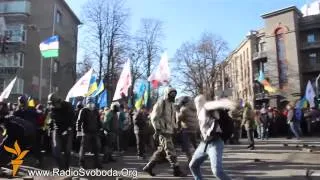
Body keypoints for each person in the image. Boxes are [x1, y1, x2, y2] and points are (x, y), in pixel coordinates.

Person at [143, 87, 186, 177]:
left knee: (161, 151)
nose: (173, 95)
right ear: (167, 94)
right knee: (171, 151)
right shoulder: (161, 103)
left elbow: (172, 118)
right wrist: (158, 129)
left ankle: (149, 167)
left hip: (169, 131)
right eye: (171, 93)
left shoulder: (171, 104)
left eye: (175, 94)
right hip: (163, 131)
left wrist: (175, 127)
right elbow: (154, 117)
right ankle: (176, 170)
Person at [189, 95, 234, 180]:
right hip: (204, 144)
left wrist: (227, 103)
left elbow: (215, 106)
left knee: (217, 171)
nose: (197, 104)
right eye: (196, 102)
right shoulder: (199, 113)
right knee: (193, 166)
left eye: (199, 102)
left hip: (215, 143)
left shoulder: (207, 107)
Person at [47, 93, 74, 170]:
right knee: (56, 149)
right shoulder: (51, 108)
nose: (53, 106)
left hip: (68, 129)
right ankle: (61, 167)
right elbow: (51, 119)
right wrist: (50, 128)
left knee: (67, 150)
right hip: (57, 130)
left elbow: (72, 119)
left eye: (54, 104)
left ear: (58, 102)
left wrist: (68, 129)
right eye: (51, 104)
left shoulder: (68, 106)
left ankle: (66, 167)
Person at [76, 97, 102, 169]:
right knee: (83, 148)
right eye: (89, 102)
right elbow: (79, 121)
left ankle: (97, 164)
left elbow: (98, 121)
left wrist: (100, 128)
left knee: (97, 148)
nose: (90, 104)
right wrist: (78, 131)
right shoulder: (83, 111)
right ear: (86, 103)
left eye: (92, 102)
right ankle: (81, 164)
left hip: (95, 132)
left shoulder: (95, 111)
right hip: (86, 132)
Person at [176, 96, 198, 162]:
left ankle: (190, 160)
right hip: (194, 128)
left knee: (186, 146)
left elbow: (179, 119)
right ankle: (199, 156)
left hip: (186, 128)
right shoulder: (194, 108)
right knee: (195, 144)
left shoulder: (183, 109)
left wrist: (177, 111)